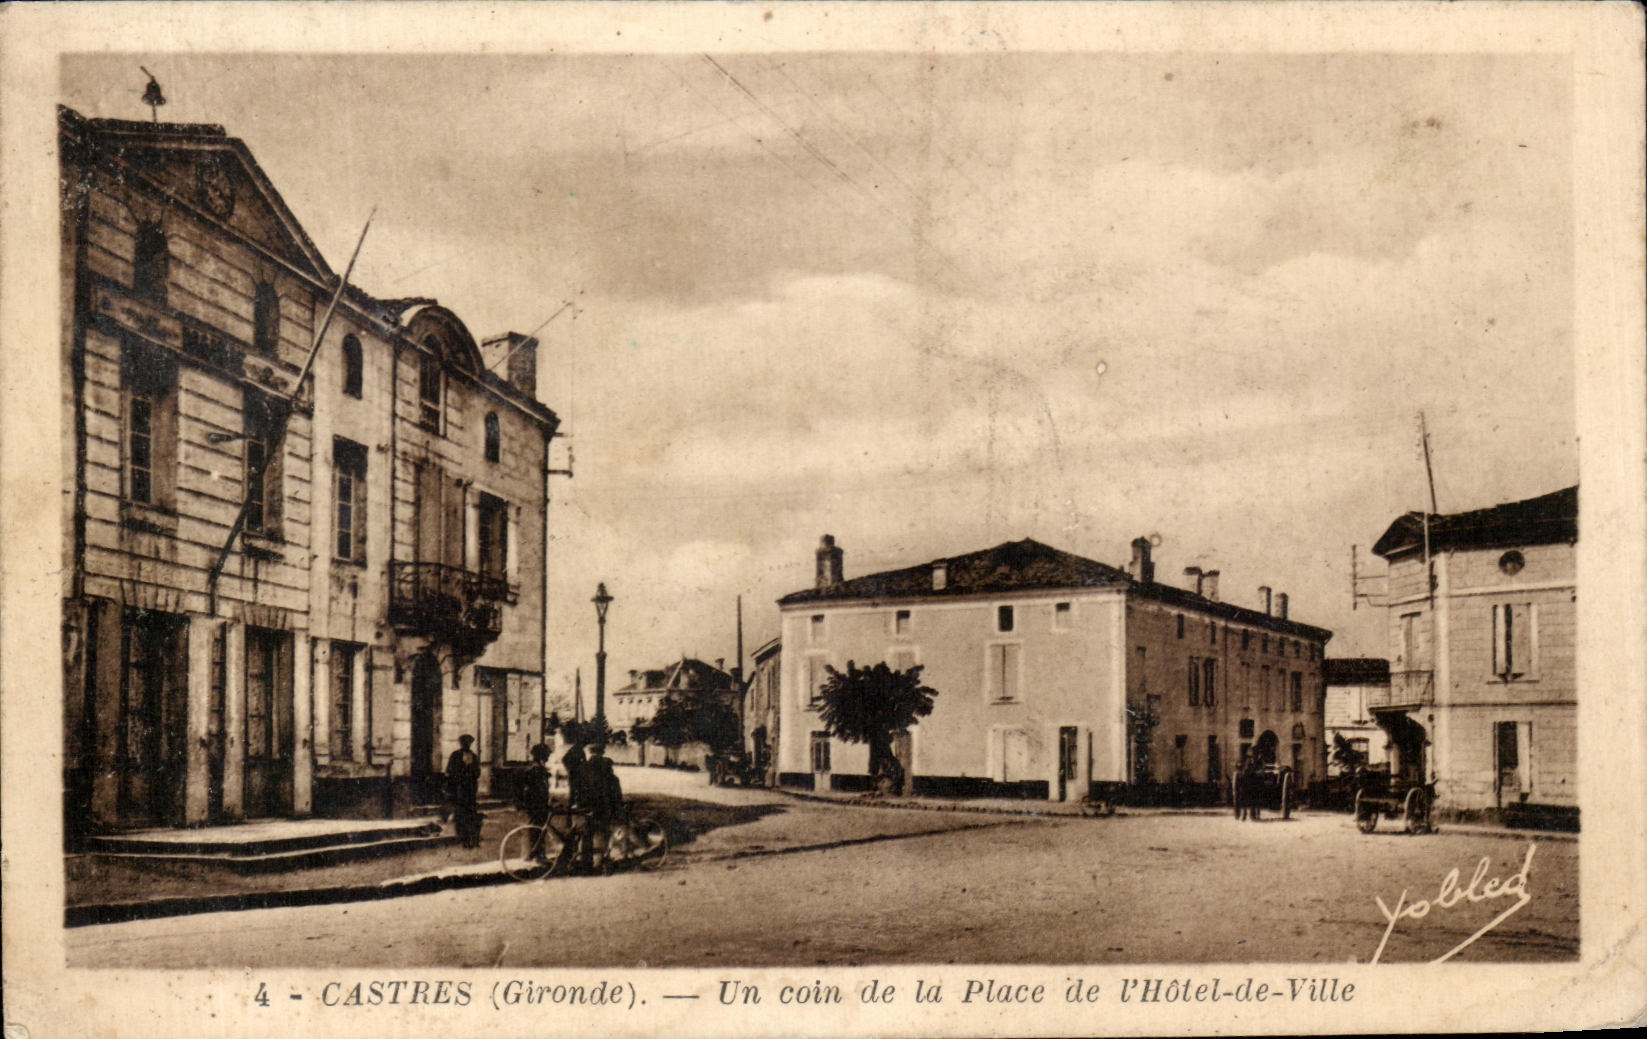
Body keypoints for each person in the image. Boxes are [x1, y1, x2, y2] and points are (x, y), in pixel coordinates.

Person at [582, 744, 623, 873]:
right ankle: (599, 863)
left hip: (587, 806)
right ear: (602, 752)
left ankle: (586, 863)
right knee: (602, 834)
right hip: (603, 807)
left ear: (590, 752)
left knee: (587, 834)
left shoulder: (584, 767)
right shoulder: (606, 766)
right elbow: (614, 790)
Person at [446, 735, 483, 848]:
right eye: (464, 742)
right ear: (461, 744)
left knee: (471, 815)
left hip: (470, 790)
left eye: (468, 742)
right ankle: (463, 839)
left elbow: (477, 772)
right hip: (459, 790)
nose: (466, 744)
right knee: (460, 815)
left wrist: (471, 775)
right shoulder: (455, 756)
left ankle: (473, 838)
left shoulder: (474, 757)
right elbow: (449, 771)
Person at [520, 743, 554, 862]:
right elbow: (533, 788)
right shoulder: (536, 769)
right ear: (541, 755)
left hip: (537, 803)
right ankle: (535, 855)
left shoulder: (536, 767)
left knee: (537, 828)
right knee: (536, 828)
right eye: (547, 754)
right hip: (536, 804)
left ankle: (534, 854)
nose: (548, 757)